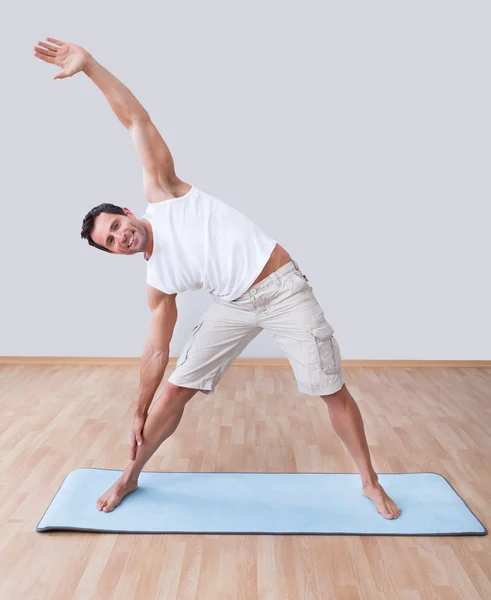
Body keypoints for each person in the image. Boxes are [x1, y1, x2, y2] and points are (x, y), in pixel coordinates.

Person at [34, 37, 401, 520]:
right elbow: (156, 351)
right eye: (111, 240)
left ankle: (370, 484)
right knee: (173, 389)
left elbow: (136, 120)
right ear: (112, 252)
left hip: (283, 288)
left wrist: (90, 67)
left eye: (117, 225)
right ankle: (130, 474)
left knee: (330, 389)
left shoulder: (164, 193)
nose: (121, 236)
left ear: (127, 212)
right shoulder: (158, 280)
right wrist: (138, 408)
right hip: (235, 304)